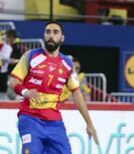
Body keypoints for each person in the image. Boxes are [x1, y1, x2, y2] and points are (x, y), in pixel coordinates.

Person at [9, 21, 99, 153]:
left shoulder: (68, 64)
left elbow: (77, 95)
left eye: (55, 32)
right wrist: (25, 91)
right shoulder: (30, 56)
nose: (51, 35)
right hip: (30, 119)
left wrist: (89, 124)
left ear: (62, 38)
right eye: (48, 32)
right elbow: (14, 81)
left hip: (54, 122)